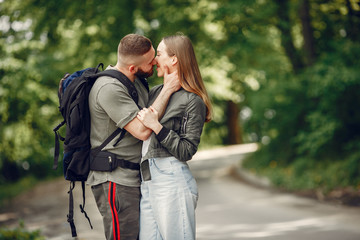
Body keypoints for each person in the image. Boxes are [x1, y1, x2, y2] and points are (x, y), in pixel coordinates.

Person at [86, 33, 180, 240]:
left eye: (155, 56)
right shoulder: (108, 88)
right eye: (150, 61)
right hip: (115, 179)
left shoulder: (135, 80)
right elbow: (143, 130)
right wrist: (169, 88)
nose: (155, 62)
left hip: (134, 177)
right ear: (132, 67)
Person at [137, 34, 212, 240]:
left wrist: (158, 128)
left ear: (174, 59)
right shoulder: (155, 92)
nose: (154, 61)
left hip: (171, 181)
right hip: (148, 180)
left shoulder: (192, 100)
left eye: (158, 54)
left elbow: (187, 150)